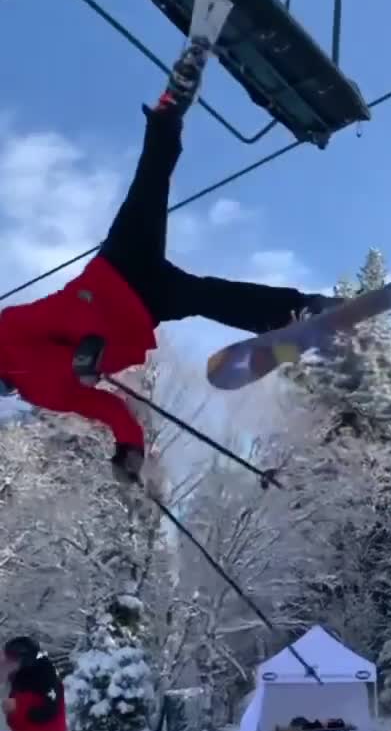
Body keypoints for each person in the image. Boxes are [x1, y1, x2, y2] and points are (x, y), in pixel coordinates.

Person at [0, 28, 338, 486]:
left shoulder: (6, 332)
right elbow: (106, 406)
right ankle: (299, 311)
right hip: (143, 308)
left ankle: (169, 113)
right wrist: (129, 447)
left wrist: (87, 351)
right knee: (208, 296)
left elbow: (56, 323)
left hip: (113, 276)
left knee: (149, 187)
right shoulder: (40, 394)